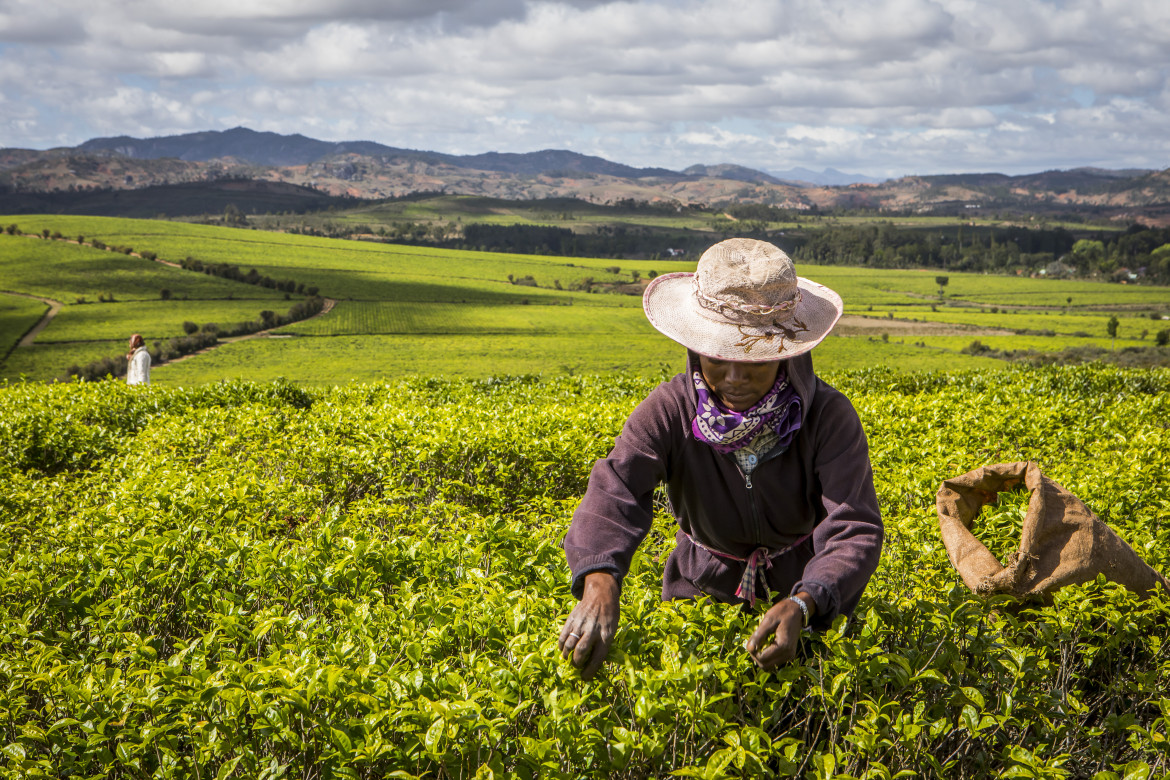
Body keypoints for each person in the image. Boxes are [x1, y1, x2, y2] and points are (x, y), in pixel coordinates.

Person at [558, 238, 882, 678]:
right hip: (699, 595)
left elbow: (853, 525)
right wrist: (599, 580)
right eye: (717, 357)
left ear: (786, 353)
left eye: (753, 360)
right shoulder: (670, 409)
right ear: (696, 348)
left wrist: (806, 602)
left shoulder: (828, 417)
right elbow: (616, 489)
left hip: (806, 607)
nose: (733, 377)